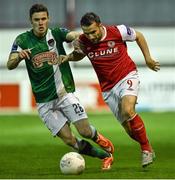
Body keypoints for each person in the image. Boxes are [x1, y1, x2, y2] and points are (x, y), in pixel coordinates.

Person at [7, 5, 114, 170]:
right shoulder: (22, 40)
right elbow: (10, 64)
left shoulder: (56, 33)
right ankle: (105, 156)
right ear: (31, 21)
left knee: (85, 131)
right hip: (44, 102)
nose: (41, 23)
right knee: (70, 140)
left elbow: (74, 35)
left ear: (48, 18)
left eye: (43, 19)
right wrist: (19, 57)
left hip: (64, 93)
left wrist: (78, 42)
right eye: (37, 20)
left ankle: (102, 140)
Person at [59, 12, 160, 168]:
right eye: (87, 33)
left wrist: (148, 59)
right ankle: (147, 146)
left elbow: (138, 36)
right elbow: (80, 55)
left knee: (128, 110)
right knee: (129, 130)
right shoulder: (84, 40)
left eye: (93, 32)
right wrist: (69, 57)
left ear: (100, 25)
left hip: (127, 75)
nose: (91, 36)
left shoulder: (117, 31)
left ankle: (145, 149)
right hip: (108, 88)